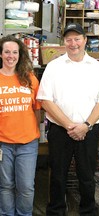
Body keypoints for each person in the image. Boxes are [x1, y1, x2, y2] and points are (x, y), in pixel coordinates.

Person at [37, 23, 99, 215]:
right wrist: (70, 125)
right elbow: (45, 100)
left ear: (85, 40)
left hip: (88, 132)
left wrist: (85, 126)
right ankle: (56, 211)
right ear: (64, 42)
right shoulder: (54, 66)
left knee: (87, 176)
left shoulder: (96, 67)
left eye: (77, 39)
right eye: (69, 39)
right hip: (60, 131)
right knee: (58, 176)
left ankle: (88, 211)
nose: (73, 43)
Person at [0, 35, 41, 215]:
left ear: (20, 55)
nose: (11, 56)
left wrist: (35, 132)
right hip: (3, 144)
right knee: (5, 185)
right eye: (7, 52)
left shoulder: (30, 79)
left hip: (28, 143)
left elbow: (37, 110)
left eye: (14, 52)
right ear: (1, 55)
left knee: (25, 186)